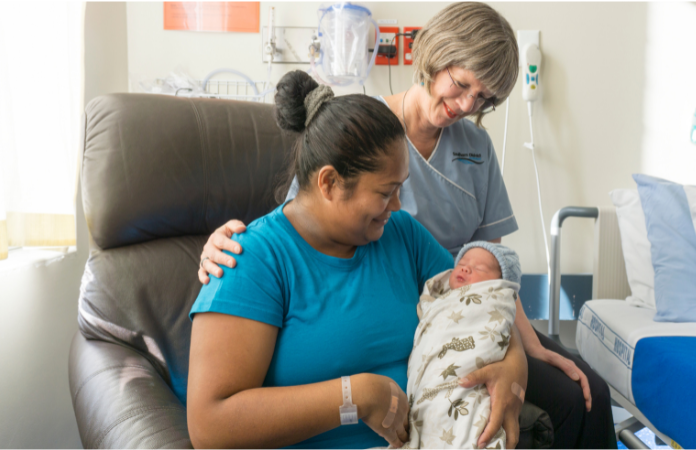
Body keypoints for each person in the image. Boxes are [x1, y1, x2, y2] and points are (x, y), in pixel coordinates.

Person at [197, 3, 616, 449]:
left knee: (586, 394)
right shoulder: (347, 155)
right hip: (414, 324)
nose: (468, 104)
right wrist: (224, 245)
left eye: (485, 99)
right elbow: (300, 226)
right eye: (462, 84)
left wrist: (519, 356)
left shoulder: (409, 226)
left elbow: (485, 280)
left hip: (464, 318)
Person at [186, 70, 528, 449]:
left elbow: (476, 304)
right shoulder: (252, 261)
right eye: (386, 193)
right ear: (329, 183)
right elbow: (209, 427)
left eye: (401, 188)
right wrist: (354, 397)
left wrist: (514, 366)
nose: (398, 206)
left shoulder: (402, 235)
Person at [406, 242, 520, 449]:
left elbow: (500, 325)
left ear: (499, 284)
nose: (466, 268)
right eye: (463, 263)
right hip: (424, 394)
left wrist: (518, 365)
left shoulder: (493, 302)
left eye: (480, 269)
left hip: (465, 388)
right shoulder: (438, 302)